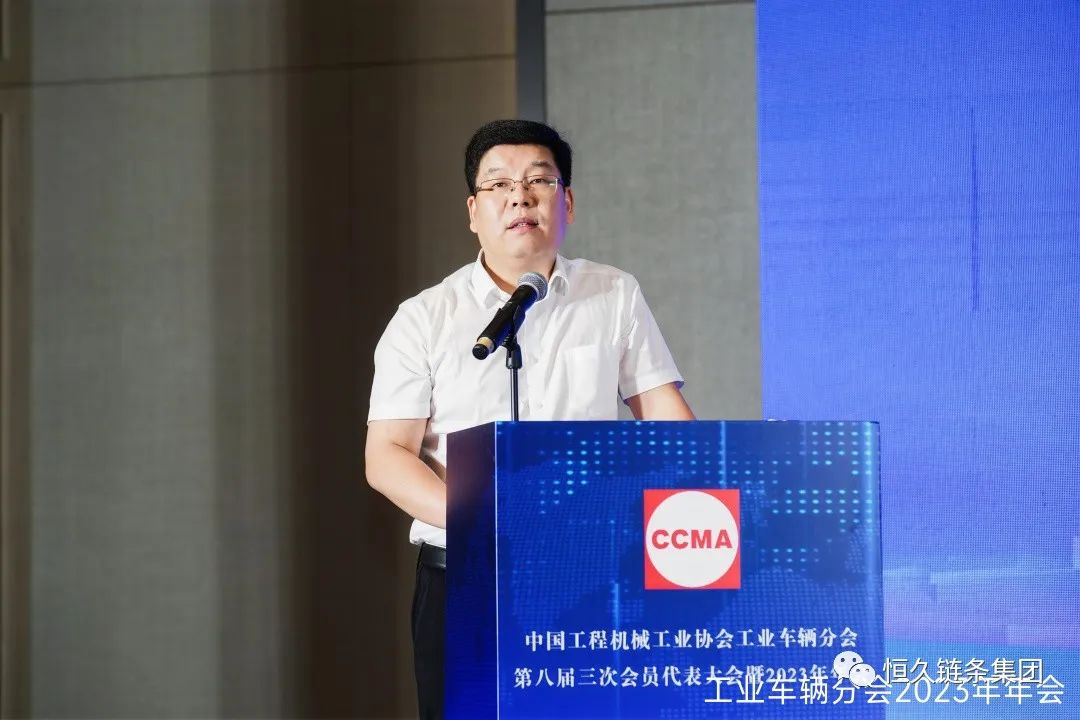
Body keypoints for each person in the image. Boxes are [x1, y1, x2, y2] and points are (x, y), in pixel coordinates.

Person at [365, 119, 694, 718]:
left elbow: (666, 419)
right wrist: (482, 521)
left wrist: (691, 507)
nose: (520, 197)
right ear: (473, 211)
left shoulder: (613, 294)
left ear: (567, 202)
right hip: (465, 577)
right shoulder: (424, 318)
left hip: (591, 570)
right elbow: (387, 456)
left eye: (539, 180)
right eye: (499, 185)